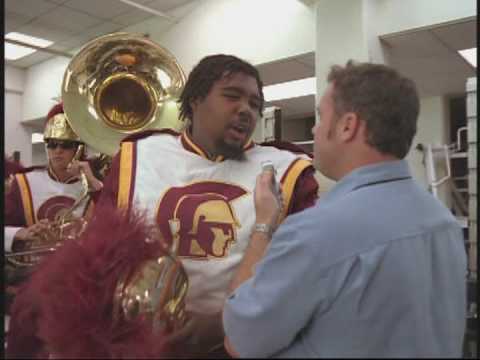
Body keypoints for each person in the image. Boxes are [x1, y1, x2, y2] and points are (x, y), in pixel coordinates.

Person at [223, 60, 467, 357]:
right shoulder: (444, 222)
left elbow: (238, 341)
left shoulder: (314, 232)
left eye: (320, 117)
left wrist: (264, 224)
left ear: (347, 126)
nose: (314, 129)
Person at [81, 53, 318, 357]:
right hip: (144, 343)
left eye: (254, 105)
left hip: (240, 344)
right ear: (194, 100)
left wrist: (225, 322)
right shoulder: (137, 157)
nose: (245, 110)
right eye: (232, 96)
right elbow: (100, 256)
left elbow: (301, 275)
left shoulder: (289, 171)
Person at [4, 103, 104, 308]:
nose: (57, 151)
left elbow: (115, 225)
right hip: (31, 283)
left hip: (81, 285)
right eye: (51, 143)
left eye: (66, 145)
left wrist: (94, 185)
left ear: (79, 148)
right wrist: (20, 233)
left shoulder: (97, 187)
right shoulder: (24, 182)